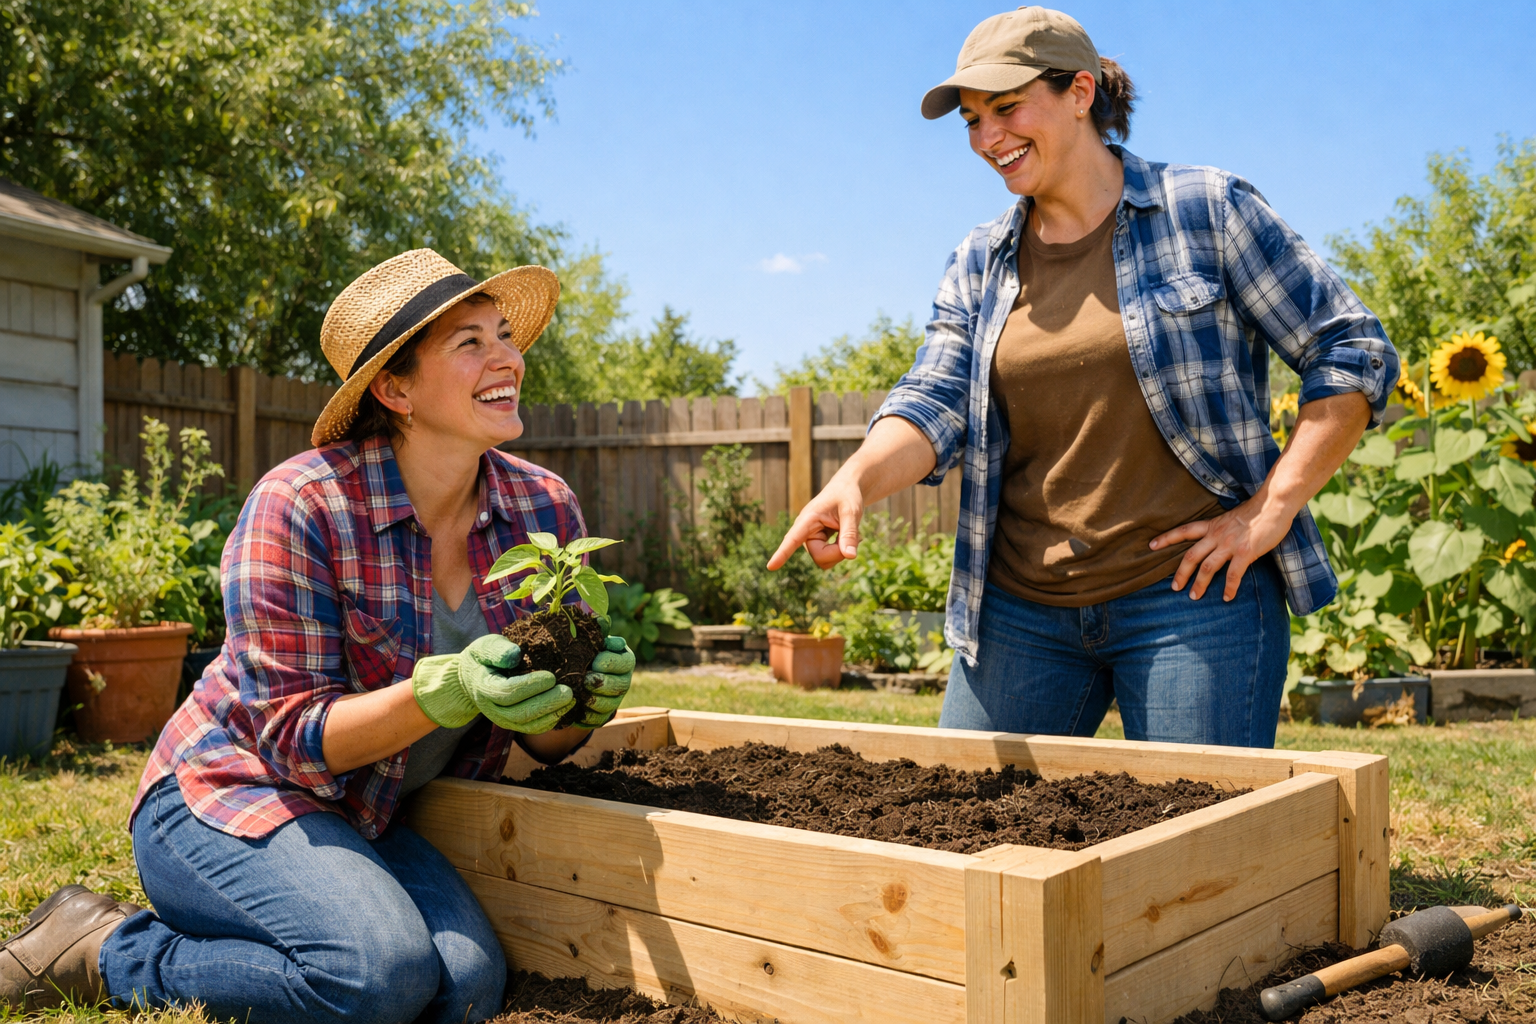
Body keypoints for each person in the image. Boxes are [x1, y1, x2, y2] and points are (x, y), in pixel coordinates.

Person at [0, 250, 636, 1022]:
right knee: (378, 975)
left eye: (504, 335)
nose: (508, 357)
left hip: (372, 809)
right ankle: (106, 952)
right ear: (394, 387)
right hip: (232, 791)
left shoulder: (543, 509)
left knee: (466, 989)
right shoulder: (302, 504)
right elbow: (295, 740)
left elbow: (548, 745)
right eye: (471, 343)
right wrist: (452, 687)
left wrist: (582, 698)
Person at [769, 7, 1399, 747]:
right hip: (1020, 608)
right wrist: (855, 481)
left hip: (1190, 597)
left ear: (1081, 92)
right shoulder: (981, 260)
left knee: (1191, 840)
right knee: (959, 823)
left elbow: (1351, 348)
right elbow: (935, 396)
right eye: (971, 120)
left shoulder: (1205, 210)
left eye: (1006, 108)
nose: (987, 138)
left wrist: (1271, 509)